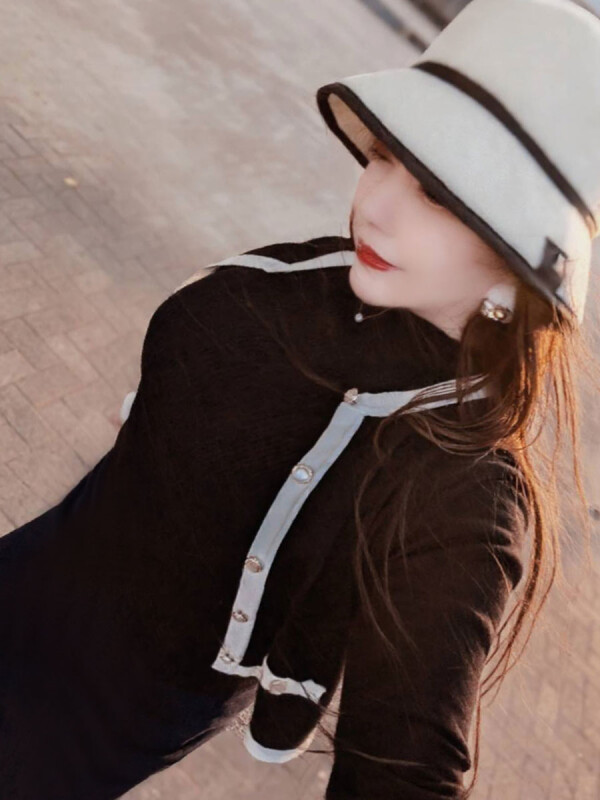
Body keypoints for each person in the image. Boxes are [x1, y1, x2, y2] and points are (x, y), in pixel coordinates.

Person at [1, 1, 599, 798]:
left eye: (437, 193)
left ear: (520, 255)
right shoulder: (320, 273)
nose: (373, 205)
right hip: (40, 568)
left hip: (98, 711)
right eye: (382, 156)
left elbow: (407, 767)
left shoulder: (466, 494)